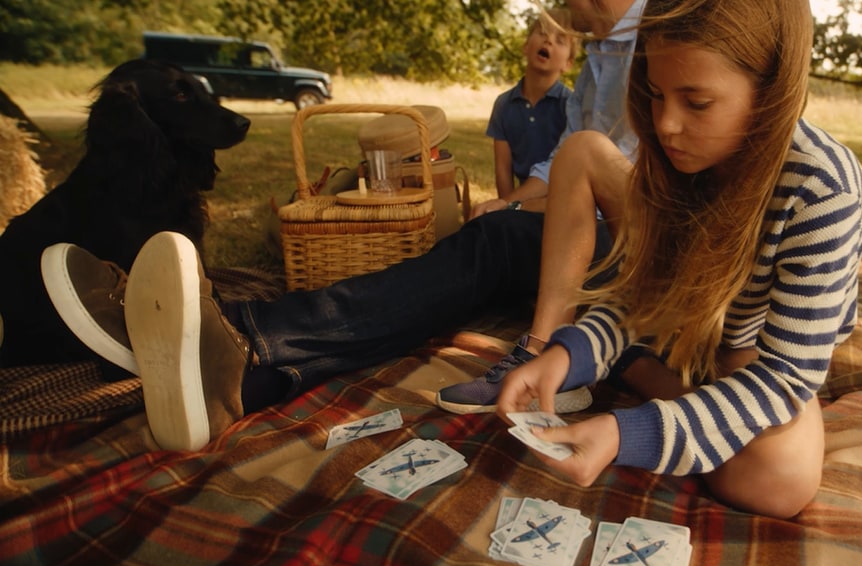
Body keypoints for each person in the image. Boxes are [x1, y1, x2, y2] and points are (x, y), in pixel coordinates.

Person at [41, 0, 646, 452]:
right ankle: (238, 376)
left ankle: (224, 336)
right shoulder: (599, 53)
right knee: (475, 247)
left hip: (639, 249)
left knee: (487, 248)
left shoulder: (672, 33)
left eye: (692, 103)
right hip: (573, 228)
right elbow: (562, 159)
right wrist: (519, 200)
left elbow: (635, 179)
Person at [492, 0, 862, 520]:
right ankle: (640, 365)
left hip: (753, 338)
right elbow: (642, 294)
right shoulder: (675, 152)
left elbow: (784, 376)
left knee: (777, 480)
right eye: (655, 94)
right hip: (694, 312)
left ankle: (643, 372)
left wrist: (631, 433)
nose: (667, 125)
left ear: (770, 94)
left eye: (696, 103)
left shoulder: (820, 193)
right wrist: (570, 355)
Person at [435, 0, 646, 413]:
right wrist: (508, 202)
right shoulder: (597, 58)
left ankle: (548, 351)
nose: (559, 9)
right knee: (487, 228)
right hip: (584, 217)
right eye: (541, 32)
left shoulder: (661, 39)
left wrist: (520, 211)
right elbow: (561, 164)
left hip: (632, 229)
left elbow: (606, 179)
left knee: (497, 234)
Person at [488, 9, 577, 201]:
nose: (549, 41)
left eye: (560, 40)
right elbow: (503, 170)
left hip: (561, 202)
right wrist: (505, 211)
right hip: (520, 202)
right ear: (526, 46)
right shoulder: (504, 104)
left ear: (568, 64)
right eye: (542, 33)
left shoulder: (571, 105)